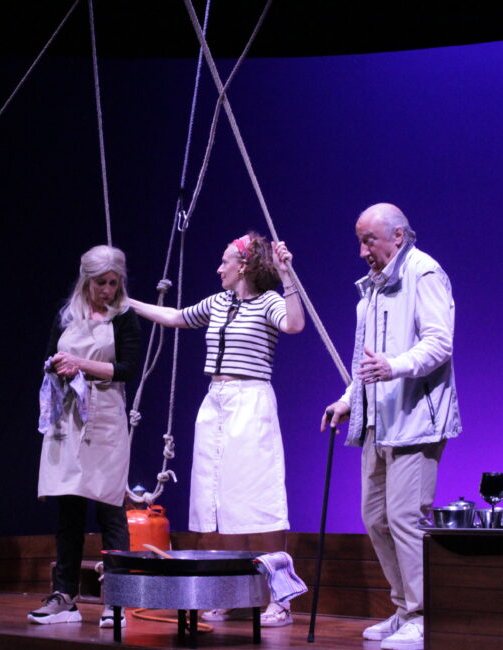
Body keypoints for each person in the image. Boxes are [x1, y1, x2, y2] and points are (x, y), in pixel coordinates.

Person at [131, 233, 305, 628]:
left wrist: (286, 274)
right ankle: (233, 593)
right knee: (221, 503)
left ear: (243, 266)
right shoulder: (219, 302)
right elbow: (176, 317)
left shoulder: (268, 302)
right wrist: (129, 304)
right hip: (216, 402)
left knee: (258, 500)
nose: (219, 268)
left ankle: (280, 598)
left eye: (225, 261)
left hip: (250, 400)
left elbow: (294, 324)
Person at [321, 203, 461, 650]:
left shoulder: (424, 273)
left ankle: (424, 615)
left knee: (405, 518)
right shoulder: (372, 290)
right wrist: (348, 400)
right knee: (376, 518)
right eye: (360, 241)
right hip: (377, 422)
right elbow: (366, 361)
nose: (363, 251)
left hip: (416, 420)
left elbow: (439, 343)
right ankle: (404, 608)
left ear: (398, 236)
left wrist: (394, 366)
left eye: (370, 241)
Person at [27, 245, 141, 629]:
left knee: (110, 508)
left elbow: (127, 369)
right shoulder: (66, 315)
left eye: (114, 283)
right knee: (69, 509)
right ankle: (65, 597)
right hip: (68, 418)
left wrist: (82, 364)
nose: (107, 290)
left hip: (105, 419)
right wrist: (58, 365)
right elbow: (48, 356)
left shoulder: (124, 317)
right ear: (86, 280)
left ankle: (117, 600)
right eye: (101, 283)